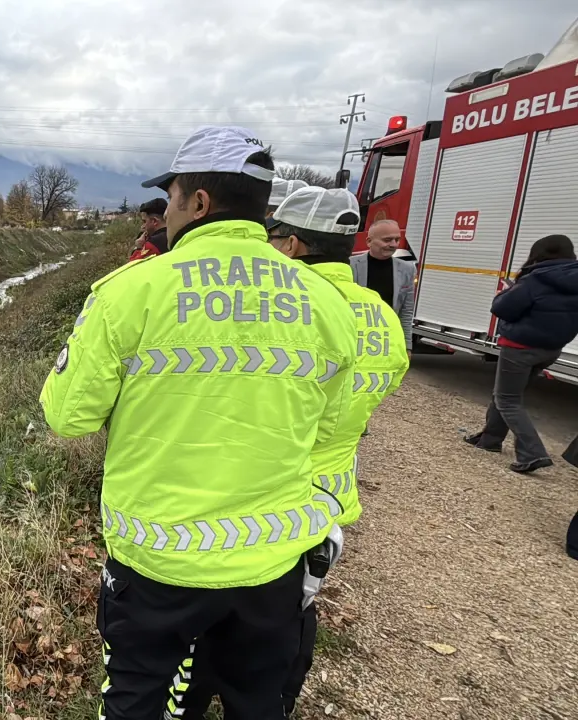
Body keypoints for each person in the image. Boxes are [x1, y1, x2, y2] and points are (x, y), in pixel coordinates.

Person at [41, 125, 357, 720]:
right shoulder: (327, 303)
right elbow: (332, 432)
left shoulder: (131, 292)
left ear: (199, 202)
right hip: (272, 562)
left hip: (159, 558)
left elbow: (67, 415)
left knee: (139, 695)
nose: (168, 211)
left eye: (171, 197)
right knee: (256, 702)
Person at [176, 187, 410, 719]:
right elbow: (379, 390)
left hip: (264, 492)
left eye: (276, 236)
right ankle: (277, 697)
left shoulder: (290, 305)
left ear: (295, 245)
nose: (272, 244)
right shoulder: (379, 316)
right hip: (328, 501)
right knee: (293, 615)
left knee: (224, 615)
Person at [465, 235, 578, 473]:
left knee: (507, 399)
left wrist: (507, 292)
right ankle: (490, 439)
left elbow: (502, 308)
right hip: (551, 349)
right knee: (505, 394)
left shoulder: (535, 279)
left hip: (519, 347)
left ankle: (532, 453)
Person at [350, 220, 415, 354]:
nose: (393, 244)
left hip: (387, 339)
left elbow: (406, 312)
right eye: (387, 240)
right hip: (354, 337)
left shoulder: (407, 269)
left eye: (397, 239)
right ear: (369, 242)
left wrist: (406, 346)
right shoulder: (350, 265)